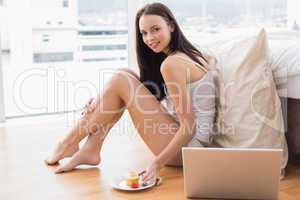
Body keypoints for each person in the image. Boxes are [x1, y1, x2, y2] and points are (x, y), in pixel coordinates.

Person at [45, 2, 216, 183]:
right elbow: (141, 89)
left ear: (171, 26)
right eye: (144, 33)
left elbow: (189, 126)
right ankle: (90, 148)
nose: (150, 38)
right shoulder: (189, 53)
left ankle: (68, 143)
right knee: (126, 74)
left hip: (189, 149)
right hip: (192, 142)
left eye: (156, 29)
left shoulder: (172, 64)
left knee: (121, 79)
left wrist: (156, 164)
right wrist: (102, 99)